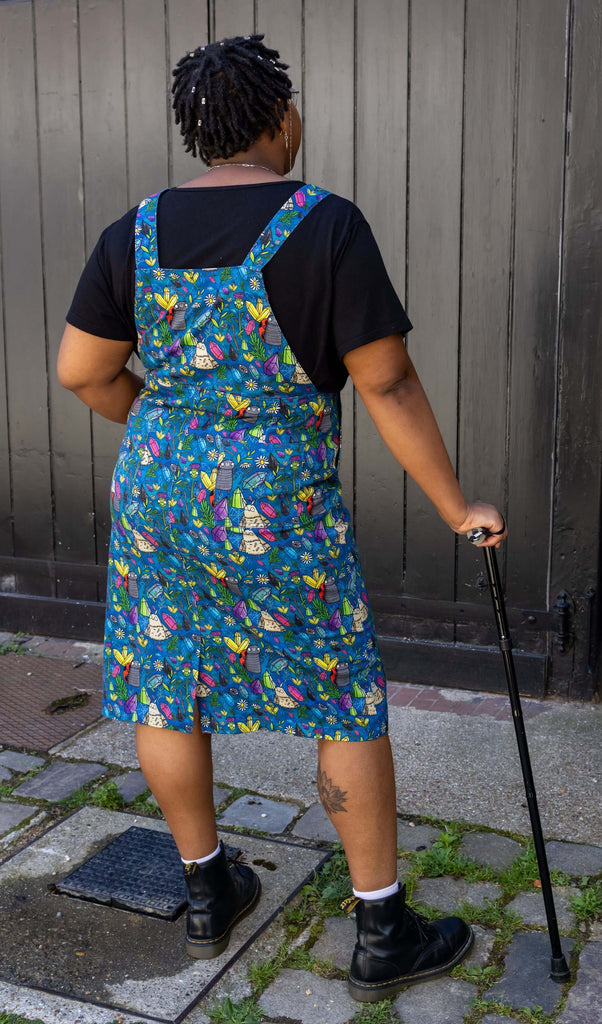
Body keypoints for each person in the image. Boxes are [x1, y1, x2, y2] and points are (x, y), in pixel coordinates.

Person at [58, 34, 507, 1003]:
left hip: (158, 490)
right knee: (337, 691)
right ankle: (382, 926)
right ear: (280, 119)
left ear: (197, 129)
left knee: (165, 678)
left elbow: (82, 371)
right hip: (276, 500)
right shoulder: (323, 226)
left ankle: (205, 888)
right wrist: (456, 506)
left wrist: (170, 428)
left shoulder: (132, 232)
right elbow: (382, 379)